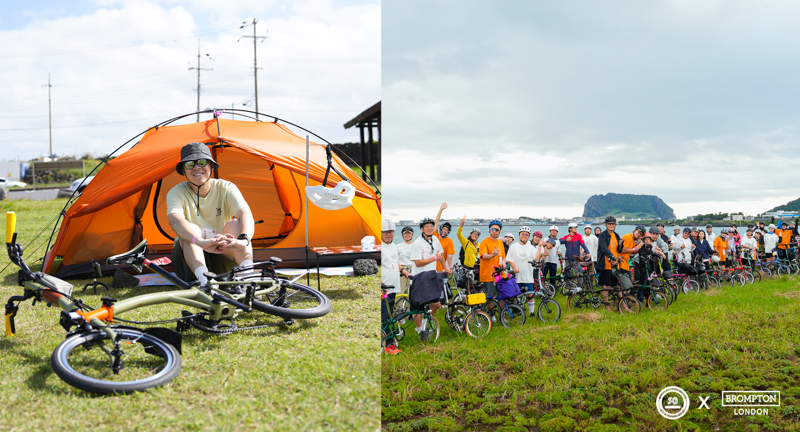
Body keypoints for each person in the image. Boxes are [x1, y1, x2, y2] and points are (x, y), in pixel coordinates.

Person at [167, 142, 254, 289]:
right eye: (189, 164)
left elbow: (245, 213)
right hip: (190, 259)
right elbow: (176, 221)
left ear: (211, 167)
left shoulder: (226, 188)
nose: (196, 168)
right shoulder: (176, 192)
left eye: (201, 162)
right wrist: (199, 241)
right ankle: (205, 282)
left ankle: (250, 278)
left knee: (234, 224)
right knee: (189, 231)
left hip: (222, 253)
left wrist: (244, 240)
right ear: (183, 170)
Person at [409, 217, 448, 341]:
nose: (430, 228)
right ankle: (419, 328)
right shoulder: (417, 243)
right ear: (422, 229)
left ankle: (426, 321)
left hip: (432, 275)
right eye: (427, 226)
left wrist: (446, 268)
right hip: (419, 278)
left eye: (431, 226)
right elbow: (418, 263)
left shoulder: (435, 239)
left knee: (436, 304)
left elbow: (440, 255)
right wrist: (434, 258)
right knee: (417, 308)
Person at [380, 219, 407, 355]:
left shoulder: (394, 246)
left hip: (393, 287)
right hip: (383, 289)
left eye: (390, 232)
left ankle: (387, 340)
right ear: (381, 233)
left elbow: (396, 263)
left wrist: (403, 271)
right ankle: (388, 345)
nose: (388, 234)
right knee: (385, 316)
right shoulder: (379, 247)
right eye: (385, 232)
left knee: (389, 315)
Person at [595, 216, 631, 311]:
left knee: (619, 286)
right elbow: (604, 248)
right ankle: (606, 306)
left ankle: (624, 306)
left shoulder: (616, 235)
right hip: (606, 264)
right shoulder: (603, 235)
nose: (611, 225)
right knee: (606, 286)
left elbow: (618, 250)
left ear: (615, 225)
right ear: (606, 225)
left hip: (615, 265)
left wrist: (621, 245)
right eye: (609, 224)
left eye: (613, 224)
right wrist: (611, 257)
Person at [507, 226, 543, 317]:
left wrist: (539, 247)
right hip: (516, 275)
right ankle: (517, 309)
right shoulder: (513, 246)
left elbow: (537, 258)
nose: (524, 236)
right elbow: (509, 259)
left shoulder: (531, 247)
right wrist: (514, 268)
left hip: (527, 275)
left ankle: (531, 313)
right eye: (522, 234)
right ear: (519, 235)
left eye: (526, 234)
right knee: (515, 295)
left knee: (530, 295)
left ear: (529, 236)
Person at [479, 219, 506, 299]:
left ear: (500, 231)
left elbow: (503, 256)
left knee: (503, 296)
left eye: (497, 230)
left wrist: (504, 262)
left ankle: (501, 311)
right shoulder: (484, 242)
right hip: (489, 275)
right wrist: (493, 255)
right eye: (492, 229)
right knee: (491, 298)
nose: (494, 231)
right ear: (489, 230)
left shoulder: (500, 243)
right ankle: (490, 312)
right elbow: (484, 256)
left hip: (500, 274)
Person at [620, 225, 645, 302]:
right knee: (625, 285)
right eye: (638, 232)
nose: (639, 234)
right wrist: (635, 248)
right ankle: (623, 302)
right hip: (620, 263)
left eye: (641, 234)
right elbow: (622, 249)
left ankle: (624, 301)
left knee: (626, 284)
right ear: (634, 230)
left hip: (625, 264)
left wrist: (641, 244)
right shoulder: (628, 237)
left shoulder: (632, 239)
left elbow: (634, 251)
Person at [433, 203, 455, 272]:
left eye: (447, 230)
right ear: (441, 229)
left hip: (439, 269)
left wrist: (450, 266)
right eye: (444, 229)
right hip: (429, 266)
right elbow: (436, 221)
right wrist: (441, 209)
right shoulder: (434, 235)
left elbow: (449, 255)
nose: (444, 231)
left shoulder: (449, 241)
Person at [396, 226, 415, 294]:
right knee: (400, 291)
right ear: (402, 235)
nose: (407, 235)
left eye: (409, 233)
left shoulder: (416, 245)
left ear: (412, 234)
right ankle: (399, 304)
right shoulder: (398, 246)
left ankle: (412, 304)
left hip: (413, 269)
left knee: (413, 291)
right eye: (405, 233)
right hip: (402, 269)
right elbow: (395, 260)